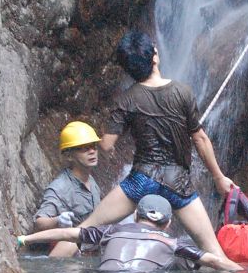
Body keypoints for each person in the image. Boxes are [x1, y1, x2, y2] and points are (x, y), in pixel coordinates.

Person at [78, 30, 233, 258]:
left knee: (84, 230)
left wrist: (109, 143)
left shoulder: (127, 99)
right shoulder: (183, 92)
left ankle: (50, 272)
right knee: (213, 252)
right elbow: (199, 139)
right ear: (155, 57)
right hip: (178, 182)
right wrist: (219, 178)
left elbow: (107, 144)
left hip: (141, 179)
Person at [18, 194, 241, 272]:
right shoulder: (173, 242)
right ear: (168, 223)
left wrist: (25, 238)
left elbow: (66, 233)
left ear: (135, 216)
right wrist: (246, 272)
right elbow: (212, 260)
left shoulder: (110, 230)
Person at [32, 120, 101, 258]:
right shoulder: (59, 187)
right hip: (71, 258)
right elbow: (39, 222)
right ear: (69, 155)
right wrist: (57, 220)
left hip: (92, 254)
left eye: (93, 146)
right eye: (84, 147)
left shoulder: (92, 182)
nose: (92, 151)